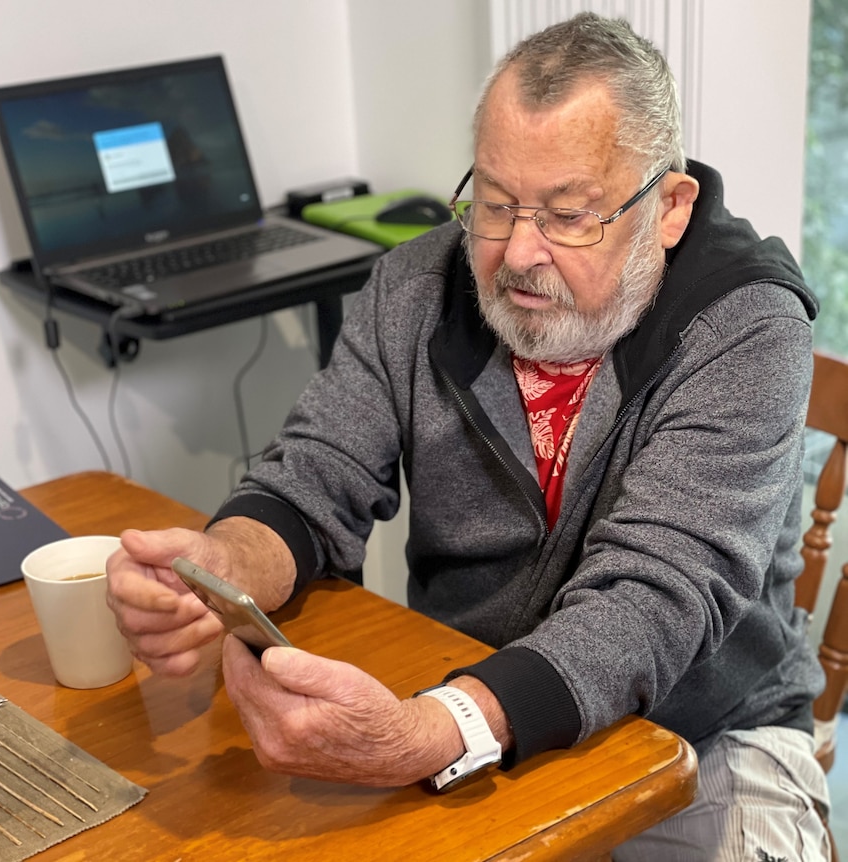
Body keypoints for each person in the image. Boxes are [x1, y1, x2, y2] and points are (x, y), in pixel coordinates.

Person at [106, 12, 832, 860]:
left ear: (668, 209)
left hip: (701, 735)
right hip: (473, 706)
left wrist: (436, 730)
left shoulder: (745, 324)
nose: (518, 252)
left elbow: (655, 596)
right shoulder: (413, 287)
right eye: (493, 202)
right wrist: (224, 564)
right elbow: (315, 476)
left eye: (568, 216)